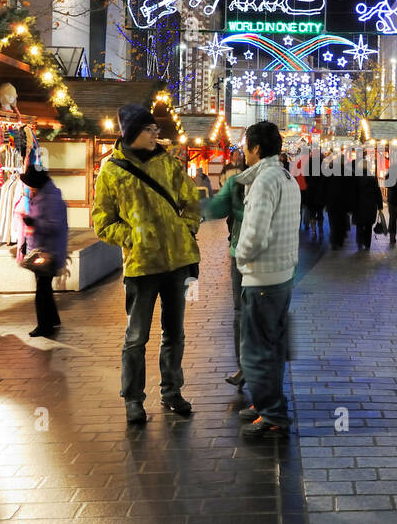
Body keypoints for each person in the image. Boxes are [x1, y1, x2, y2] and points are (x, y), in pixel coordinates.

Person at [92, 103, 201, 424]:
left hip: (177, 262)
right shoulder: (111, 171)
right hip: (140, 266)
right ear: (132, 133)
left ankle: (171, 391)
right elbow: (102, 221)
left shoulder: (169, 164)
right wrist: (133, 236)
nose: (156, 134)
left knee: (175, 332)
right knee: (136, 336)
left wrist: (187, 227)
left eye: (156, 130)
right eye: (150, 130)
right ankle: (133, 399)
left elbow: (190, 201)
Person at [234, 121, 301, 440]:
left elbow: (255, 232)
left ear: (256, 149)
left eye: (245, 145)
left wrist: (240, 256)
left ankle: (272, 413)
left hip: (263, 278)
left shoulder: (265, 181)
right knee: (271, 346)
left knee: (256, 350)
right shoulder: (286, 176)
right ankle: (267, 406)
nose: (242, 151)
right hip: (283, 275)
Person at [203, 158, 248, 389]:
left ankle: (246, 367)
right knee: (265, 315)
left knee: (241, 312)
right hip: (275, 262)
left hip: (243, 254)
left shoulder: (238, 183)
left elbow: (212, 209)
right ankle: (256, 370)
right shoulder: (283, 179)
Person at [19, 164, 69, 338]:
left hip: (49, 252)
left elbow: (54, 226)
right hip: (43, 249)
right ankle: (52, 320)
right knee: (45, 288)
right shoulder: (43, 195)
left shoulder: (50, 198)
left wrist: (33, 223)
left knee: (42, 290)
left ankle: (44, 326)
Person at [323, 152, 354, 249]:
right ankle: (340, 240)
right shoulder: (349, 172)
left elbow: (324, 186)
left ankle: (334, 241)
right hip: (343, 202)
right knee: (341, 220)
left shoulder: (329, 172)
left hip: (332, 201)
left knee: (333, 222)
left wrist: (324, 200)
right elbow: (351, 189)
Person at [353, 159, 382, 251]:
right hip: (370, 205)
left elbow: (352, 193)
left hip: (358, 205)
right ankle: (367, 244)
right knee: (368, 226)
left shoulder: (356, 178)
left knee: (359, 225)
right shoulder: (373, 178)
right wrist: (380, 205)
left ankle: (359, 242)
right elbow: (378, 192)